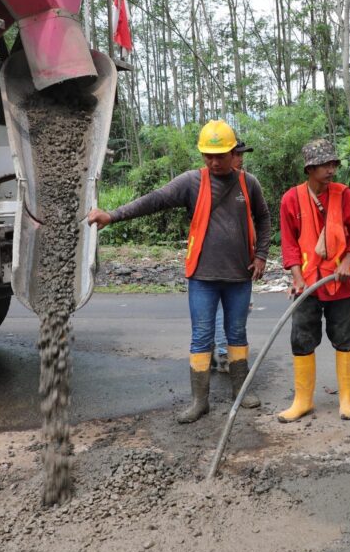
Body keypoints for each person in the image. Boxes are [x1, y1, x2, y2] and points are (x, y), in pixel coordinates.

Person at [87, 120, 271, 423]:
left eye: (220, 156)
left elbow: (263, 218)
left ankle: (241, 391)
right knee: (201, 337)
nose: (214, 162)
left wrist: (261, 255)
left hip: (240, 276)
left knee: (237, 334)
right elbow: (154, 200)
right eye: (208, 156)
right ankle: (200, 401)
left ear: (233, 152)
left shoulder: (248, 183)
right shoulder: (191, 181)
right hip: (202, 277)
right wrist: (113, 215)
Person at [277, 138, 350, 422]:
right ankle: (303, 400)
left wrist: (348, 261)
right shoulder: (291, 199)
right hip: (307, 284)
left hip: (340, 282)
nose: (331, 170)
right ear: (310, 169)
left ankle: (346, 398)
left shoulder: (344, 195)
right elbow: (289, 244)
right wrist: (297, 278)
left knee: (344, 338)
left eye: (333, 164)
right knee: (302, 339)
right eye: (324, 165)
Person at [212, 142, 254, 375]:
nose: (240, 158)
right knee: (222, 311)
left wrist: (257, 255)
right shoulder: (212, 183)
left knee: (237, 310)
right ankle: (223, 354)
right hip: (219, 262)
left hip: (240, 260)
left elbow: (258, 218)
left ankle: (219, 351)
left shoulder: (246, 182)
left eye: (241, 154)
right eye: (237, 154)